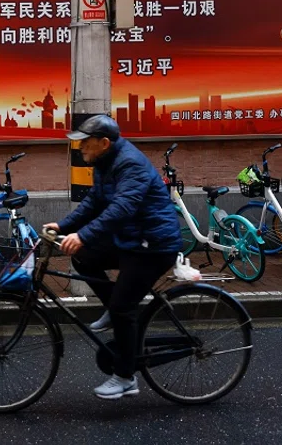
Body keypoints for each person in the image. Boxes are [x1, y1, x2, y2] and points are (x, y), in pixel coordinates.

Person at [44, 114, 181, 401]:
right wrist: (65, 226)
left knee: (123, 309)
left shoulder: (130, 164)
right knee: (82, 257)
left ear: (104, 143)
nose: (80, 149)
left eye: (85, 144)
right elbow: (94, 202)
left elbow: (121, 209)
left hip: (153, 245)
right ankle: (115, 307)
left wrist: (83, 235)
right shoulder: (103, 163)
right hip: (131, 240)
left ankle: (125, 377)